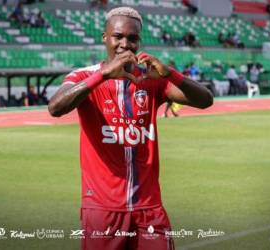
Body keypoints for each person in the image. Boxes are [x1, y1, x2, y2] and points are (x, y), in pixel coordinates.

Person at [48, 7, 213, 250]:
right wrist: (102, 76)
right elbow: (55, 107)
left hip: (149, 209)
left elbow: (205, 100)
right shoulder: (84, 76)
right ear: (105, 37)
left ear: (139, 41)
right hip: (102, 210)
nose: (125, 44)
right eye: (118, 36)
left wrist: (171, 74)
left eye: (132, 38)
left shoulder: (152, 80)